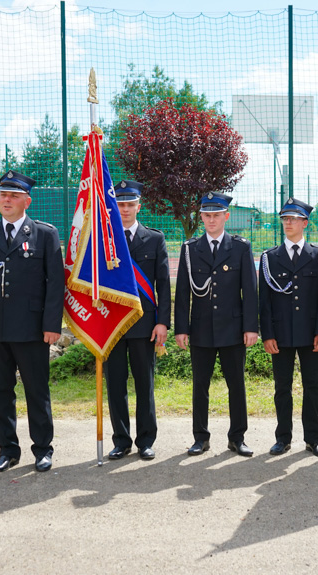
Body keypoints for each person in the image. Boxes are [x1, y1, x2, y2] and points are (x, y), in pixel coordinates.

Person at [0, 171, 64, 473]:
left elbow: (55, 284)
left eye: (14, 196)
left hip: (32, 329)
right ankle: (8, 449)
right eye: (3, 195)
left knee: (36, 390)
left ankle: (43, 449)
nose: (6, 200)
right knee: (0, 391)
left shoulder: (45, 234)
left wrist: (52, 324)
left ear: (26, 201)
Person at [175, 191, 258, 457]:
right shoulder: (190, 250)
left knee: (237, 385)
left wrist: (250, 327)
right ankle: (200, 437)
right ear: (200, 217)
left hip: (233, 329)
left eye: (216, 215)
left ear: (226, 216)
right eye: (207, 215)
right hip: (201, 329)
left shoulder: (240, 247)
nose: (211, 220)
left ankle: (237, 437)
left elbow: (250, 291)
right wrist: (181, 328)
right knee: (200, 385)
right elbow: (183, 293)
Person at [259, 198, 318, 458]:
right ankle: (283, 438)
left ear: (305, 223)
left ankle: (313, 438)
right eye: (284, 219)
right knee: (282, 388)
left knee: (313, 386)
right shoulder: (269, 258)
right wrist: (267, 334)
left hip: (311, 335)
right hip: (281, 335)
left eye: (293, 219)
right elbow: (264, 302)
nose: (288, 223)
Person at [105, 180, 170, 461]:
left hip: (144, 326)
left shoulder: (154, 239)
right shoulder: (103, 240)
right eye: (120, 205)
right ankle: (121, 441)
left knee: (145, 385)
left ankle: (145, 440)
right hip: (112, 325)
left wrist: (163, 322)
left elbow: (164, 285)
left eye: (130, 204)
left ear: (139, 206)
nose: (126, 209)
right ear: (113, 208)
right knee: (115, 386)